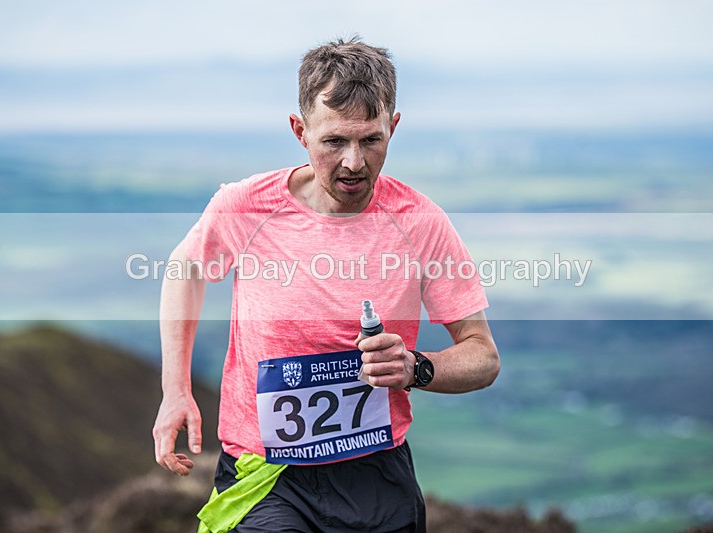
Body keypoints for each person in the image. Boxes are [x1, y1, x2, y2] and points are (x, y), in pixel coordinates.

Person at [152, 37, 500, 532]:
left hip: (375, 476)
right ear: (300, 131)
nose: (354, 162)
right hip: (267, 475)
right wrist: (175, 390)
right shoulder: (246, 206)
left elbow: (483, 356)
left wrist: (415, 368)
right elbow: (183, 270)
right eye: (334, 141)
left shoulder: (420, 222)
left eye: (371, 140)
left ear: (393, 128)